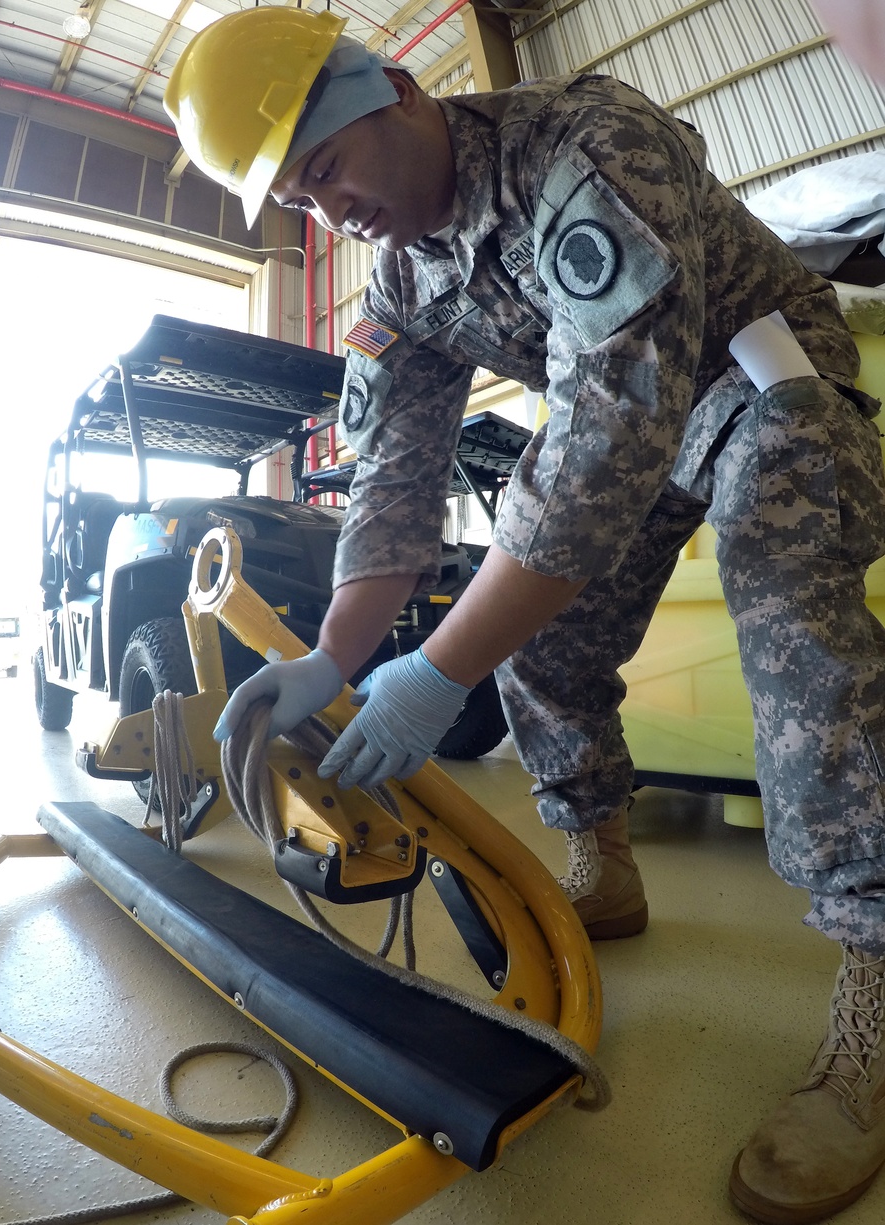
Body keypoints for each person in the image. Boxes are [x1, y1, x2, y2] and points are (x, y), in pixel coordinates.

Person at [164, 8, 885, 1222]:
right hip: (626, 419)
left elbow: (611, 427)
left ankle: (875, 969)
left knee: (784, 586)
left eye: (326, 165)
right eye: (297, 195)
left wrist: (436, 669)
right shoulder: (397, 274)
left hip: (759, 381)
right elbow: (392, 482)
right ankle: (598, 856)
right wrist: (332, 661)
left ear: (395, 90)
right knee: (539, 629)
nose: (327, 210)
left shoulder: (586, 149)